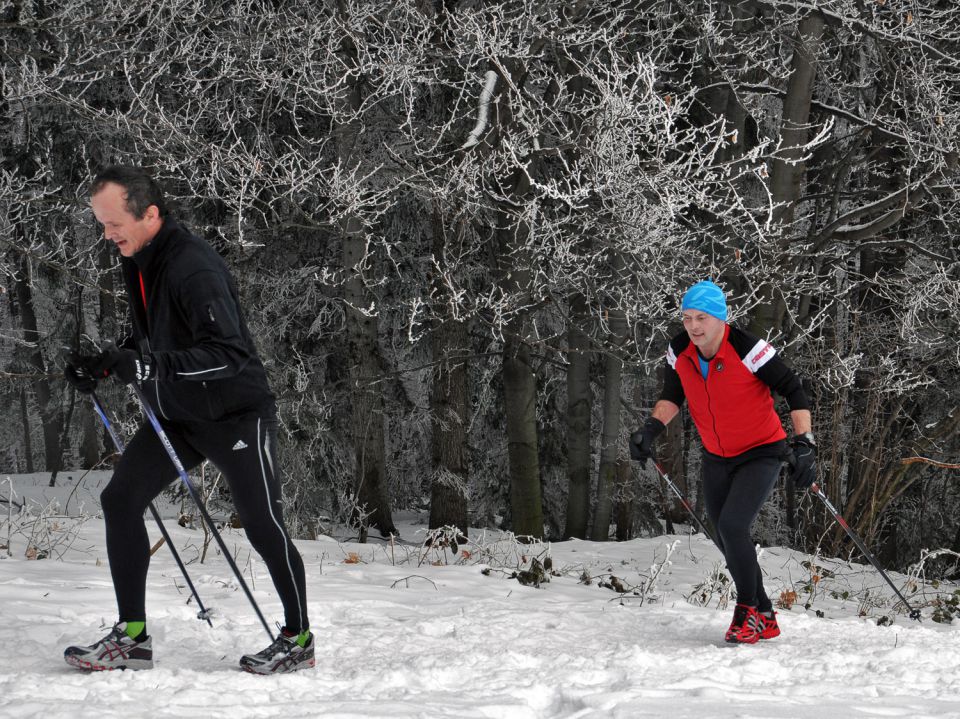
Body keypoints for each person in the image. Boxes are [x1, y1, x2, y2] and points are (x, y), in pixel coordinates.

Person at [63, 165, 313, 673]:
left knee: (263, 524)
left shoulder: (192, 267)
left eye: (113, 224)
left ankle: (298, 638)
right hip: (179, 414)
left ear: (150, 214)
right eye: (102, 225)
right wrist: (110, 360)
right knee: (120, 499)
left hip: (236, 416)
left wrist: (150, 365)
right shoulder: (139, 258)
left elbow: (230, 353)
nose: (107, 235)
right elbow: (157, 336)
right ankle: (131, 637)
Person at [629, 280, 815, 644]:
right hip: (716, 455)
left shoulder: (747, 349)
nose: (693, 326)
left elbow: (793, 388)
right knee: (723, 536)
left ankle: (746, 612)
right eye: (687, 318)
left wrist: (804, 442)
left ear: (720, 318)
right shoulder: (679, 350)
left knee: (732, 526)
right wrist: (650, 429)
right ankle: (765, 614)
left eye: (701, 318)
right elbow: (672, 394)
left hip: (762, 450)